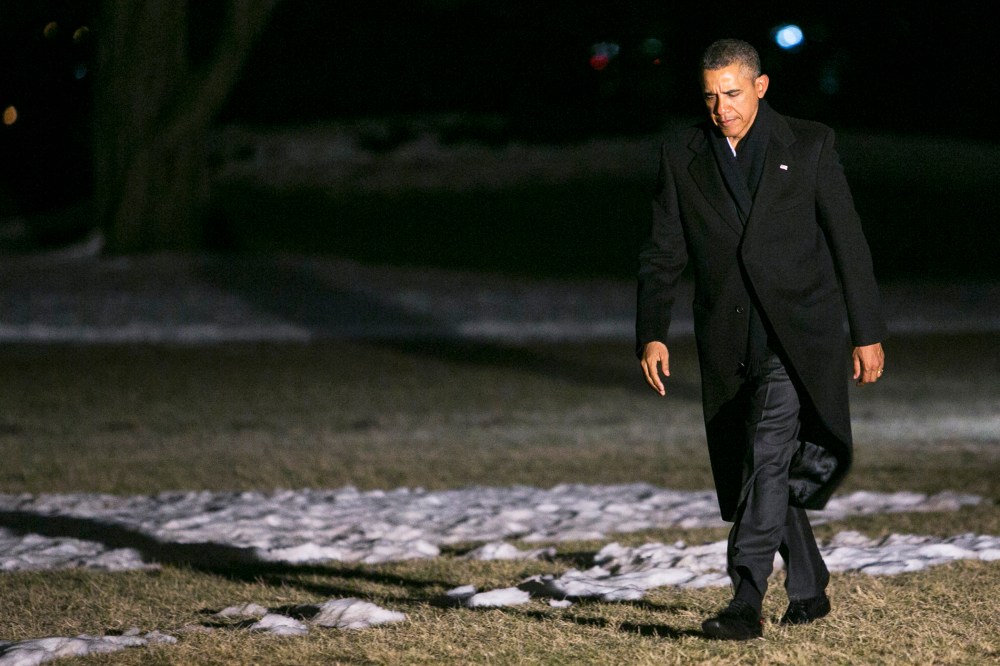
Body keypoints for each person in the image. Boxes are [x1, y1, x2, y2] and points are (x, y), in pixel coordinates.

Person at [636, 38, 886, 640]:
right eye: (710, 96)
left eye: (732, 93)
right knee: (757, 463)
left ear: (761, 86)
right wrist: (652, 332)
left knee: (766, 450)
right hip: (727, 335)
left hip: (799, 336)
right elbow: (663, 250)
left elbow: (848, 241)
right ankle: (810, 587)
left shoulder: (810, 143)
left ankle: (745, 598)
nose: (721, 108)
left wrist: (867, 332)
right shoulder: (681, 152)